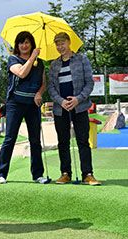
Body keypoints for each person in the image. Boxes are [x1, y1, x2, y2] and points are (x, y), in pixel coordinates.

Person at [48, 32, 101, 186]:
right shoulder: (54, 65)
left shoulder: (82, 59)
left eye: (62, 43)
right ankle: (65, 173)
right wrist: (61, 101)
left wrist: (78, 99)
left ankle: (88, 174)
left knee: (83, 141)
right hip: (60, 108)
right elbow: (51, 87)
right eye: (57, 44)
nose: (60, 47)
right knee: (63, 142)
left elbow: (89, 83)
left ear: (69, 42)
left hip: (80, 107)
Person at [0, 31, 48, 184]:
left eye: (27, 42)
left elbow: (43, 82)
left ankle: (38, 174)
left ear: (31, 44)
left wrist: (39, 93)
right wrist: (32, 57)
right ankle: (1, 173)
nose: (24, 45)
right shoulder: (13, 59)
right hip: (15, 103)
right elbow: (22, 73)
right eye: (21, 43)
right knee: (10, 138)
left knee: (35, 140)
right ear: (17, 45)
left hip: (32, 104)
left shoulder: (40, 63)